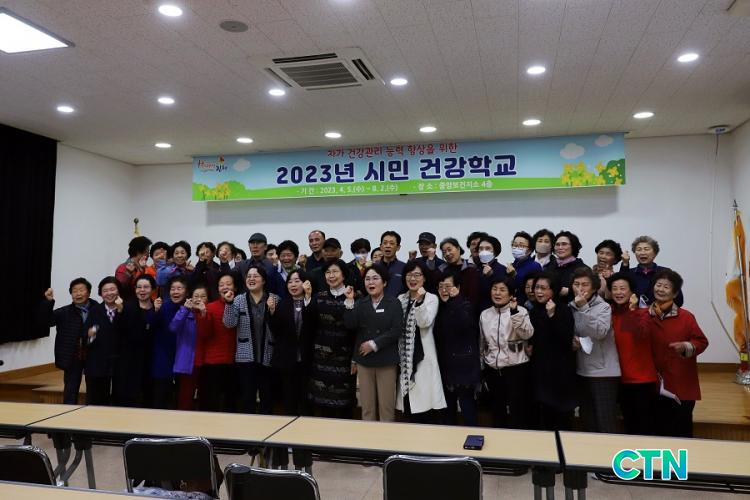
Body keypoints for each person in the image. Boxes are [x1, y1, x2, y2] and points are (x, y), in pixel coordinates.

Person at [629, 270, 708, 437]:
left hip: (680, 382)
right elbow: (633, 339)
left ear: (675, 293)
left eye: (666, 287)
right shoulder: (642, 315)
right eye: (658, 285)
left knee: (681, 430)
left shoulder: (686, 317)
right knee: (655, 430)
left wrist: (686, 346)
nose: (661, 289)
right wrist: (634, 312)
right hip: (651, 383)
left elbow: (701, 342)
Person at [343, 265, 402, 422]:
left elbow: (396, 330)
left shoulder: (394, 303)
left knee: (386, 408)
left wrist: (374, 344)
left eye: (375, 278)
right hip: (364, 361)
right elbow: (350, 325)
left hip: (386, 361)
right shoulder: (360, 303)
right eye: (367, 279)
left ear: (384, 282)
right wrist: (349, 301)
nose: (371, 282)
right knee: (367, 409)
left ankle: (386, 438)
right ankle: (367, 437)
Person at [269, 270, 314, 471]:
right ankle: (287, 445)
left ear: (305, 283)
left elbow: (314, 324)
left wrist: (308, 299)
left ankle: (303, 450)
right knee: (288, 402)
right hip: (286, 361)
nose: (293, 284)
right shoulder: (282, 304)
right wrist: (271, 312)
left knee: (304, 404)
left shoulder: (311, 302)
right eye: (290, 281)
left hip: (306, 361)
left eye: (297, 281)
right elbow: (275, 330)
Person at [569, 267, 621, 433]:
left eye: (585, 285)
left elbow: (600, 332)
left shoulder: (603, 307)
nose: (580, 288)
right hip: (581, 370)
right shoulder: (571, 306)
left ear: (594, 288)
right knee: (588, 420)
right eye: (576, 284)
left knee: (605, 422)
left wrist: (584, 307)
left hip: (603, 373)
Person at [606, 272, 658, 435]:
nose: (618, 292)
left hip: (641, 379)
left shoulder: (642, 313)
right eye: (614, 289)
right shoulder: (610, 313)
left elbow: (641, 334)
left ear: (632, 292)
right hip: (619, 378)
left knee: (644, 425)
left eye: (623, 288)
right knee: (629, 423)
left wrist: (633, 310)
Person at [480, 276, 535, 429]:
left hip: (516, 369)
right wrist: (483, 362)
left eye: (502, 290)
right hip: (493, 368)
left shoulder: (521, 311)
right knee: (497, 409)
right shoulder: (485, 314)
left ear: (511, 294)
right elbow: (482, 342)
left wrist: (514, 313)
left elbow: (527, 334)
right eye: (494, 289)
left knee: (518, 410)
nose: (497, 293)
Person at [223, 265, 279, 414]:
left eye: (256, 276)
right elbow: (229, 323)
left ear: (264, 280)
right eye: (249, 276)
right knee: (248, 398)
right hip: (245, 357)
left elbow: (280, 328)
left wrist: (273, 311)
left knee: (267, 397)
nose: (251, 279)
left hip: (268, 355)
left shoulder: (274, 299)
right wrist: (229, 303)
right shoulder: (238, 300)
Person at [396, 261, 446, 423]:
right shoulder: (400, 299)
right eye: (409, 275)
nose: (413, 279)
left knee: (425, 406)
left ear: (424, 278)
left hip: (423, 358)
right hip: (404, 359)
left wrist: (419, 301)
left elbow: (424, 322)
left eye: (417, 275)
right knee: (408, 406)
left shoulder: (431, 298)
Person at [528, 272, 577, 431]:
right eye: (536, 287)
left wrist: (552, 316)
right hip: (540, 371)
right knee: (544, 418)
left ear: (553, 290)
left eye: (543, 288)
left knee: (561, 419)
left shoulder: (563, 309)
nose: (538, 292)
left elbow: (565, 340)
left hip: (560, 374)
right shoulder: (534, 311)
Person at [307, 259, 356, 418]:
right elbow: (308, 324)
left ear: (344, 275)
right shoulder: (318, 297)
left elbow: (355, 328)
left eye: (335, 271)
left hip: (344, 358)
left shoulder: (355, 297)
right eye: (328, 272)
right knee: (323, 406)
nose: (331, 275)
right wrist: (307, 298)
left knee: (344, 405)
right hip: (321, 358)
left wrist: (350, 302)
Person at [433, 269, 481, 426]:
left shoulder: (465, 305)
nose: (444, 290)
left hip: (464, 368)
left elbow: (466, 325)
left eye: (448, 286)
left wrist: (457, 300)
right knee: (448, 412)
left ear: (458, 287)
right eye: (441, 286)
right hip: (445, 367)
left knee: (468, 409)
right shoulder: (439, 307)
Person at [38, 278, 97, 404]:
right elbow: (46, 321)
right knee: (70, 388)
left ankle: (93, 412)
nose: (78, 294)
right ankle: (68, 412)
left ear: (88, 292)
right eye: (74, 291)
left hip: (94, 354)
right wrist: (48, 302)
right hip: (72, 355)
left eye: (81, 290)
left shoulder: (98, 309)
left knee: (94, 388)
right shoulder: (64, 312)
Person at [113, 274, 160, 407]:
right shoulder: (126, 307)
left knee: (148, 395)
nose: (142, 290)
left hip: (150, 358)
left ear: (153, 289)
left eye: (146, 287)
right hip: (129, 359)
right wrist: (120, 311)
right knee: (127, 396)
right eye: (139, 287)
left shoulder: (157, 308)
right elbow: (118, 330)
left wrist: (156, 312)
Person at [199, 272, 238, 412]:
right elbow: (204, 334)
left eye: (228, 284)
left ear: (235, 287)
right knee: (211, 403)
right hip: (213, 362)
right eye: (221, 285)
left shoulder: (240, 304)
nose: (225, 287)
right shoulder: (210, 307)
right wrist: (203, 315)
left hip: (234, 360)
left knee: (231, 403)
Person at [83, 277, 123, 405]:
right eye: (105, 291)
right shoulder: (95, 311)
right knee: (96, 399)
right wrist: (90, 335)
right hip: (97, 363)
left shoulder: (128, 309)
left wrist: (120, 311)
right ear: (100, 293)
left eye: (112, 289)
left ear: (119, 291)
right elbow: (85, 336)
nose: (109, 293)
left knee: (119, 399)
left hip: (120, 361)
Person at [151, 275, 188, 408]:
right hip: (163, 358)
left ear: (186, 291)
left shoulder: (190, 307)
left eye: (179, 288)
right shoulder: (163, 307)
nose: (175, 292)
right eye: (173, 289)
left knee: (178, 399)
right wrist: (155, 311)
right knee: (160, 398)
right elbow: (151, 327)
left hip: (182, 359)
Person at [171, 283, 209, 411]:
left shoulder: (209, 313)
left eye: (203, 296)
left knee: (205, 398)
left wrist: (203, 313)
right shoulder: (184, 312)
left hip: (205, 361)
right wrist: (184, 310)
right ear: (191, 298)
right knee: (185, 398)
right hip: (187, 361)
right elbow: (173, 327)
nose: (199, 299)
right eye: (196, 296)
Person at [627, 236, 683, 307]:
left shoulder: (666, 272)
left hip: (660, 312)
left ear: (655, 253)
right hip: (635, 312)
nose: (642, 252)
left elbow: (678, 300)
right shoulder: (629, 273)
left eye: (646, 249)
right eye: (639, 249)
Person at [438, 237, 481, 308]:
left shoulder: (471, 269)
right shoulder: (441, 270)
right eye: (444, 252)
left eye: (449, 250)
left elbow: (474, 297)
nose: (447, 254)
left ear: (458, 249)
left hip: (466, 309)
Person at [506, 231, 542, 305]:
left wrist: (515, 275)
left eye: (521, 246)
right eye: (515, 245)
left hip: (526, 306)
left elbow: (532, 289)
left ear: (529, 250)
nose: (517, 248)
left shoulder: (535, 266)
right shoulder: (512, 266)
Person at [549, 231, 588, 301]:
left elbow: (588, 291)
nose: (560, 247)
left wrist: (569, 291)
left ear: (573, 246)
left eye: (564, 244)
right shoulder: (550, 267)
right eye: (557, 244)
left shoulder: (583, 269)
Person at [476, 235, 508, 312]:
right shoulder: (475, 269)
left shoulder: (502, 269)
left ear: (495, 252)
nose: (484, 251)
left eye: (488, 248)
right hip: (476, 311)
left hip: (494, 311)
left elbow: (502, 292)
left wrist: (491, 276)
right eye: (481, 249)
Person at [115, 236, 152, 301]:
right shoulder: (122, 268)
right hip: (129, 304)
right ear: (138, 252)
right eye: (147, 251)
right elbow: (121, 288)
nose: (148, 255)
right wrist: (134, 272)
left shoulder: (146, 267)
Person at [380, 231, 406, 297]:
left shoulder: (404, 267)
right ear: (381, 246)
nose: (388, 246)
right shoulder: (374, 267)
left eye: (391, 243)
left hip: (398, 302)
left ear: (398, 247)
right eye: (385, 243)